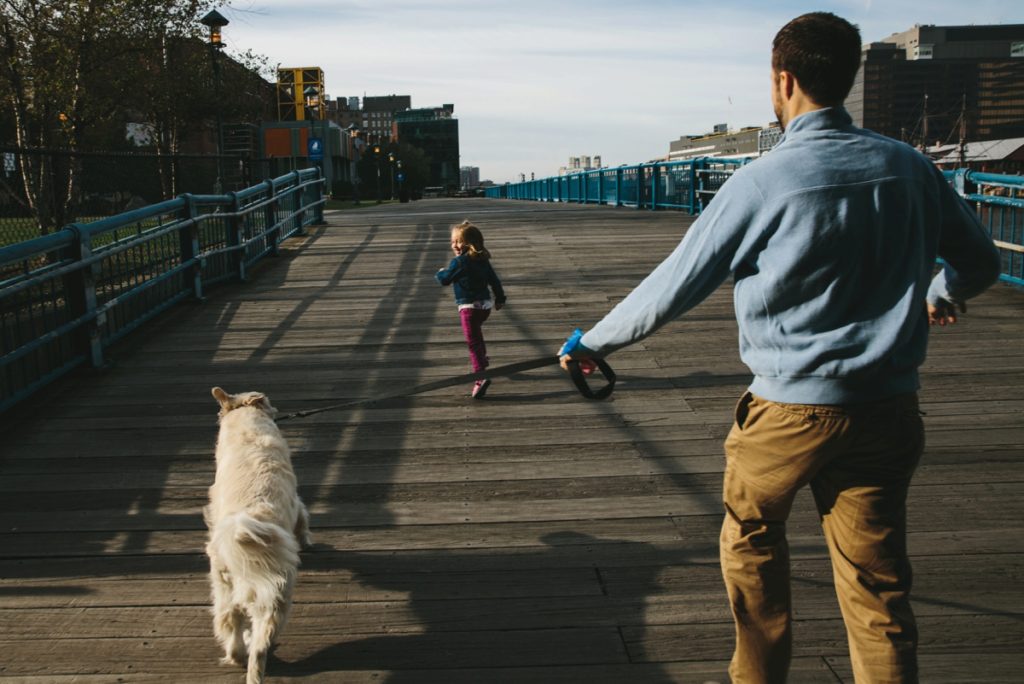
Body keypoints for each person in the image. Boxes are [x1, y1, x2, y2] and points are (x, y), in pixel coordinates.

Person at [558, 12, 1000, 684]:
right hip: (887, 407)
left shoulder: (762, 182)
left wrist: (591, 342)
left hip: (788, 412)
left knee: (752, 542)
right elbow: (982, 262)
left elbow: (673, 286)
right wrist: (941, 292)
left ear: (784, 79)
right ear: (846, 78)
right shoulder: (909, 168)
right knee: (877, 588)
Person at [436, 220, 507, 398]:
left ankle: (480, 375)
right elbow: (494, 281)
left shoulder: (459, 262)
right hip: (485, 307)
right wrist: (500, 298)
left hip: (468, 309)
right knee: (477, 335)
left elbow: (445, 280)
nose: (454, 245)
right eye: (452, 242)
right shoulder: (483, 260)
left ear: (469, 244)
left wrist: (440, 272)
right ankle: (482, 359)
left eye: (458, 242)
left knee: (473, 342)